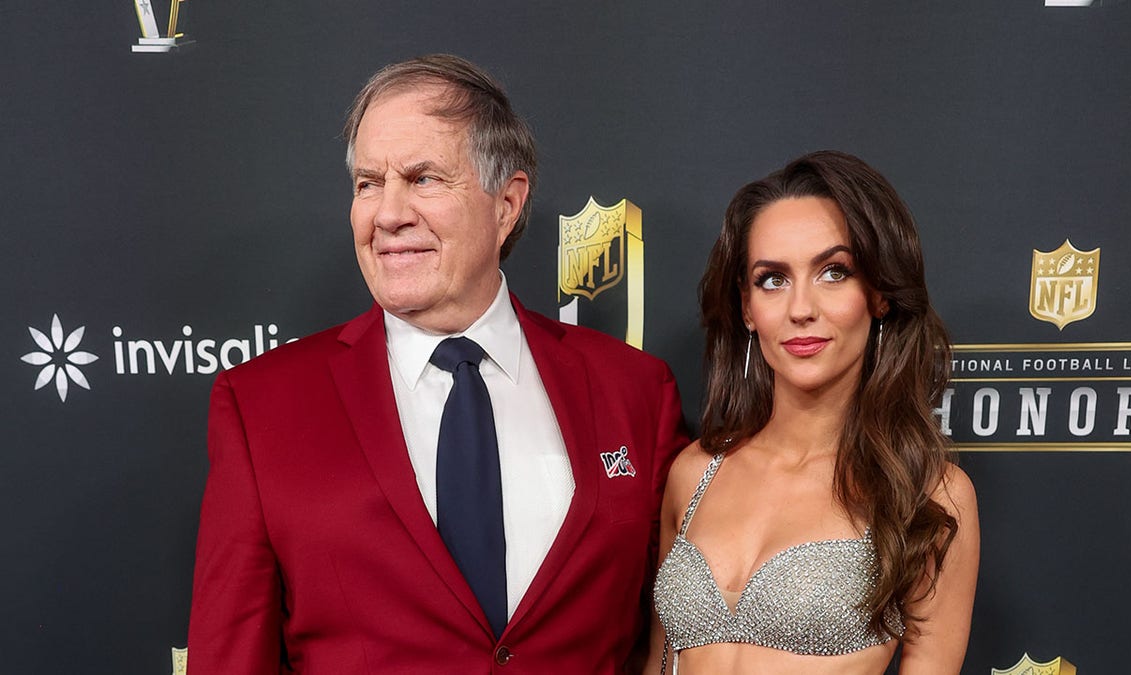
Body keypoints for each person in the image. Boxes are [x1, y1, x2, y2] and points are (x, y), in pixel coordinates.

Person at [187, 54, 689, 674]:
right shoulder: (261, 404)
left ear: (507, 203)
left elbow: (674, 632)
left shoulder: (634, 389)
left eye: (423, 178)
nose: (388, 213)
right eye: (368, 183)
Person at [649, 151, 979, 674]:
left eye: (833, 272)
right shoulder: (695, 473)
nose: (801, 308)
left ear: (879, 296)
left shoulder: (927, 494)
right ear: (746, 308)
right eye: (772, 280)